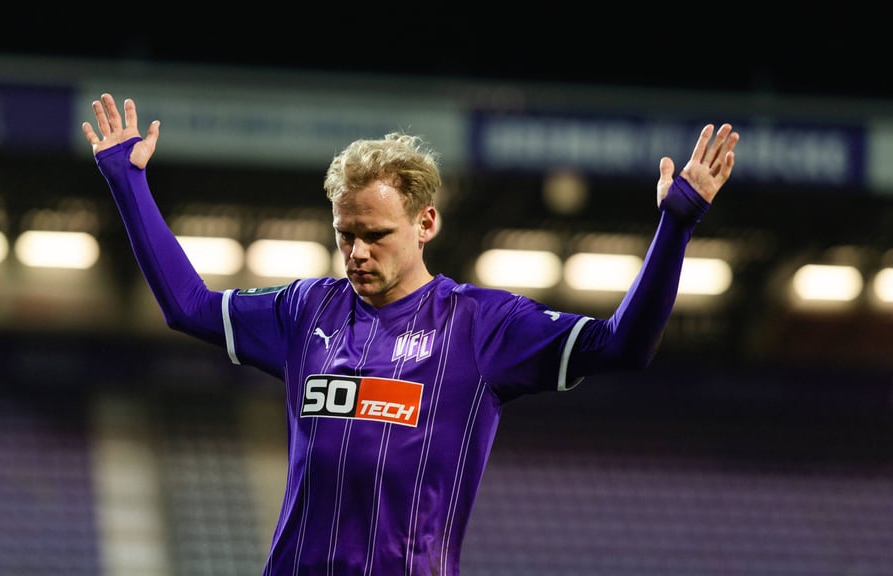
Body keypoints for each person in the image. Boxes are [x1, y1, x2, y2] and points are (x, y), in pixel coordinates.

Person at [82, 93, 739, 575]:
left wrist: (675, 227)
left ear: (425, 223)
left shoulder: (483, 327)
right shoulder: (306, 311)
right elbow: (188, 306)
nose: (357, 252)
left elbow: (625, 344)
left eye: (376, 234)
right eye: (346, 235)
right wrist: (128, 182)